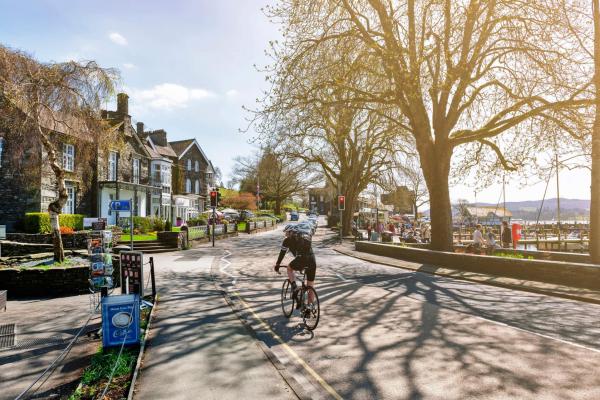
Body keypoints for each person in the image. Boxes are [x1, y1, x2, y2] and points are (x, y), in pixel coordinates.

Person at [274, 224, 317, 312]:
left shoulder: (287, 241)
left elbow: (282, 253)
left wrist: (277, 264)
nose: (285, 235)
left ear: (290, 232)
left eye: (286, 232)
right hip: (312, 260)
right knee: (310, 285)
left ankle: (295, 287)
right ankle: (309, 308)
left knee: (289, 268)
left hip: (301, 260)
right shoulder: (303, 237)